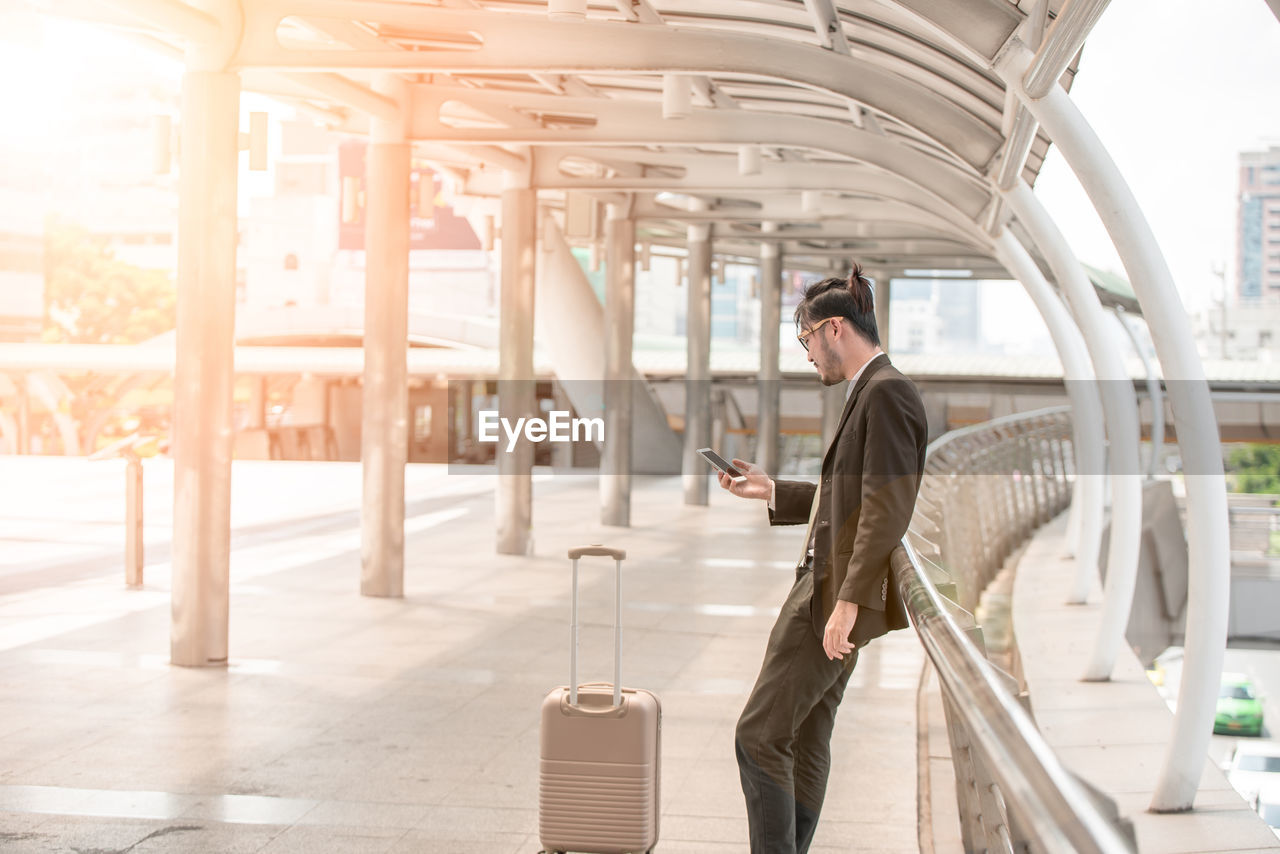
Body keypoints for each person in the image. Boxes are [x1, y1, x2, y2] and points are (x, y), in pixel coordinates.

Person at [715, 265, 928, 853]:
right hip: (831, 587)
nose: (807, 354)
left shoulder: (887, 392)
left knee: (758, 736)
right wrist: (773, 490)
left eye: (806, 339)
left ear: (834, 328)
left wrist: (847, 602)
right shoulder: (874, 389)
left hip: (830, 593)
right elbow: (851, 496)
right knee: (806, 734)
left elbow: (886, 507)